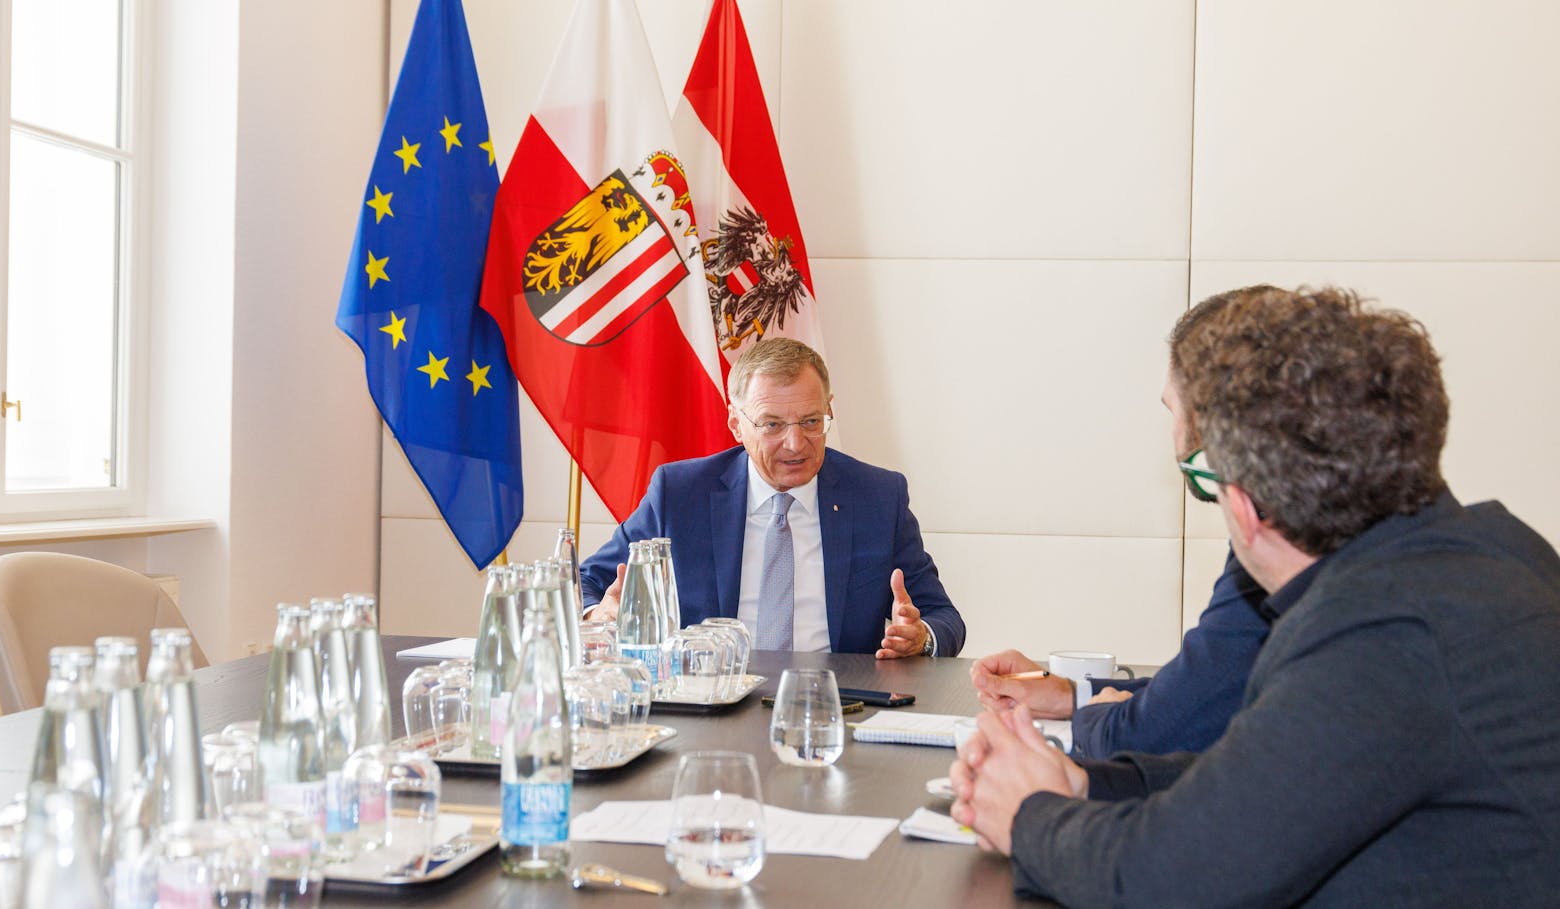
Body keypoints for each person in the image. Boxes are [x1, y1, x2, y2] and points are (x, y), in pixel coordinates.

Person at [952, 286, 1560, 906]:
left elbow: (1168, 882)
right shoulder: (1492, 551)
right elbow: (1272, 783)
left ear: (1241, 507)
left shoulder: (1385, 634)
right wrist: (1087, 785)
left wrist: (1030, 815)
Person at [970, 292, 1271, 758]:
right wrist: (1073, 695)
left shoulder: (1271, 535)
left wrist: (1094, 718)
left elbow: (1158, 730)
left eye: (1172, 410)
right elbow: (1212, 687)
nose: (1172, 438)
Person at [580, 337, 964, 658]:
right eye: (772, 425)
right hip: (710, 703)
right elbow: (586, 581)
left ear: (829, 411)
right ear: (736, 425)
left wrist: (921, 638)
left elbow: (943, 617)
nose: (796, 444)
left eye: (811, 421)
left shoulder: (878, 497)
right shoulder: (680, 494)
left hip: (835, 707)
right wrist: (600, 614)